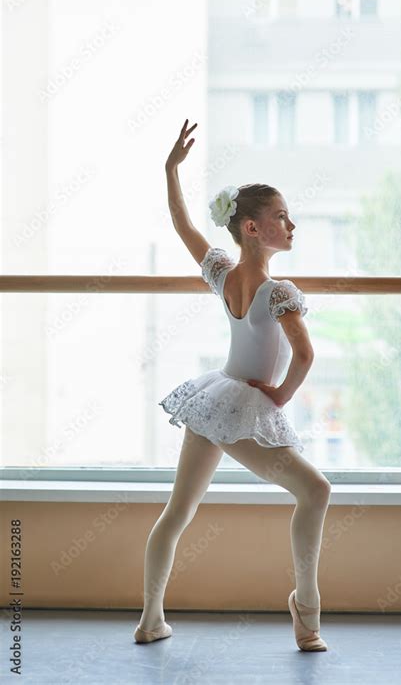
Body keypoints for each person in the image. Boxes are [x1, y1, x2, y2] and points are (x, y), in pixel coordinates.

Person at [133, 119, 332, 651]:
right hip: (240, 404)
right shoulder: (279, 289)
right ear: (249, 227)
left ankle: (151, 618)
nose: (292, 225)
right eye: (280, 217)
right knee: (316, 491)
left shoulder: (224, 273)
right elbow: (306, 354)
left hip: (212, 399)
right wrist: (283, 396)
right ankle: (306, 613)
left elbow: (181, 226)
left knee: (177, 512)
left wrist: (170, 170)